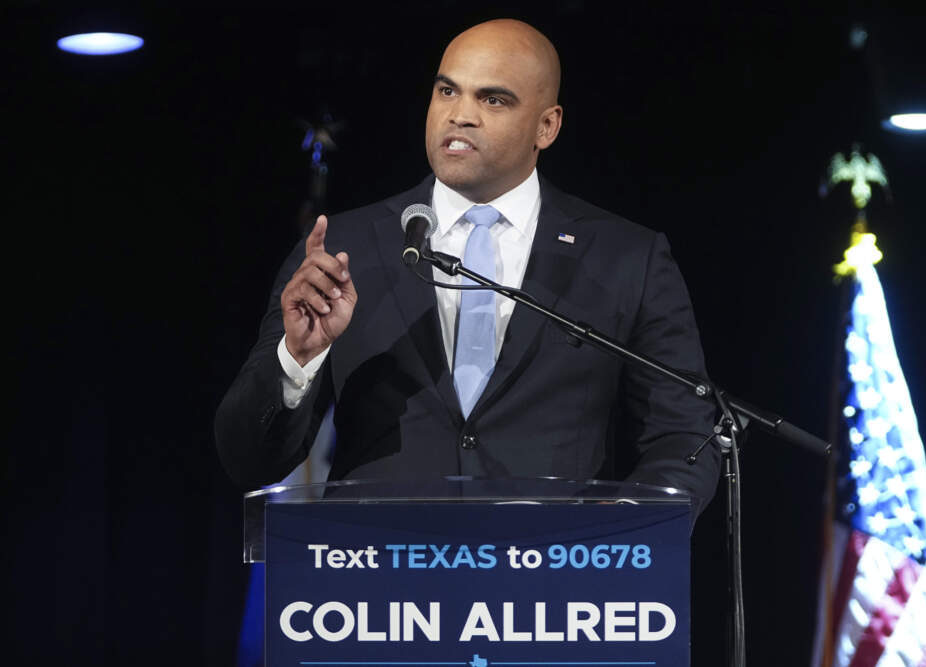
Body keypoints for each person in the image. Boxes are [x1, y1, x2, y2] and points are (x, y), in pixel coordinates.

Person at [215, 19, 721, 516]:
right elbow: (248, 460)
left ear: (547, 126)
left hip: (553, 580)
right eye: (447, 91)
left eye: (492, 99)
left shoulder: (625, 257)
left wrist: (620, 531)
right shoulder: (343, 249)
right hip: (379, 582)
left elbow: (684, 436)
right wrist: (296, 359)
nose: (460, 115)